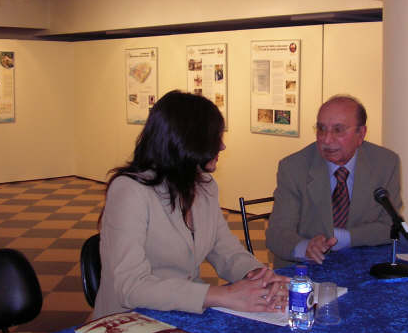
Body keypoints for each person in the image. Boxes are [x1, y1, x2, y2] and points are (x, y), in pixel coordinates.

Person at [93, 90, 289, 319]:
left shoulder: (204, 185)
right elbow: (131, 287)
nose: (222, 146)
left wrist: (256, 274)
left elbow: (224, 248)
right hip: (129, 321)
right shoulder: (130, 191)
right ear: (188, 142)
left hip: (181, 314)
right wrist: (221, 295)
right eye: (215, 137)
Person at [266, 95, 402, 268]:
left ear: (361, 134)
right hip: (306, 271)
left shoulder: (385, 163)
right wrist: (305, 247)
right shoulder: (294, 167)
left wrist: (345, 238)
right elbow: (277, 234)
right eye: (321, 129)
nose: (327, 140)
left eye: (338, 130)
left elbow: (391, 226)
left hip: (363, 266)